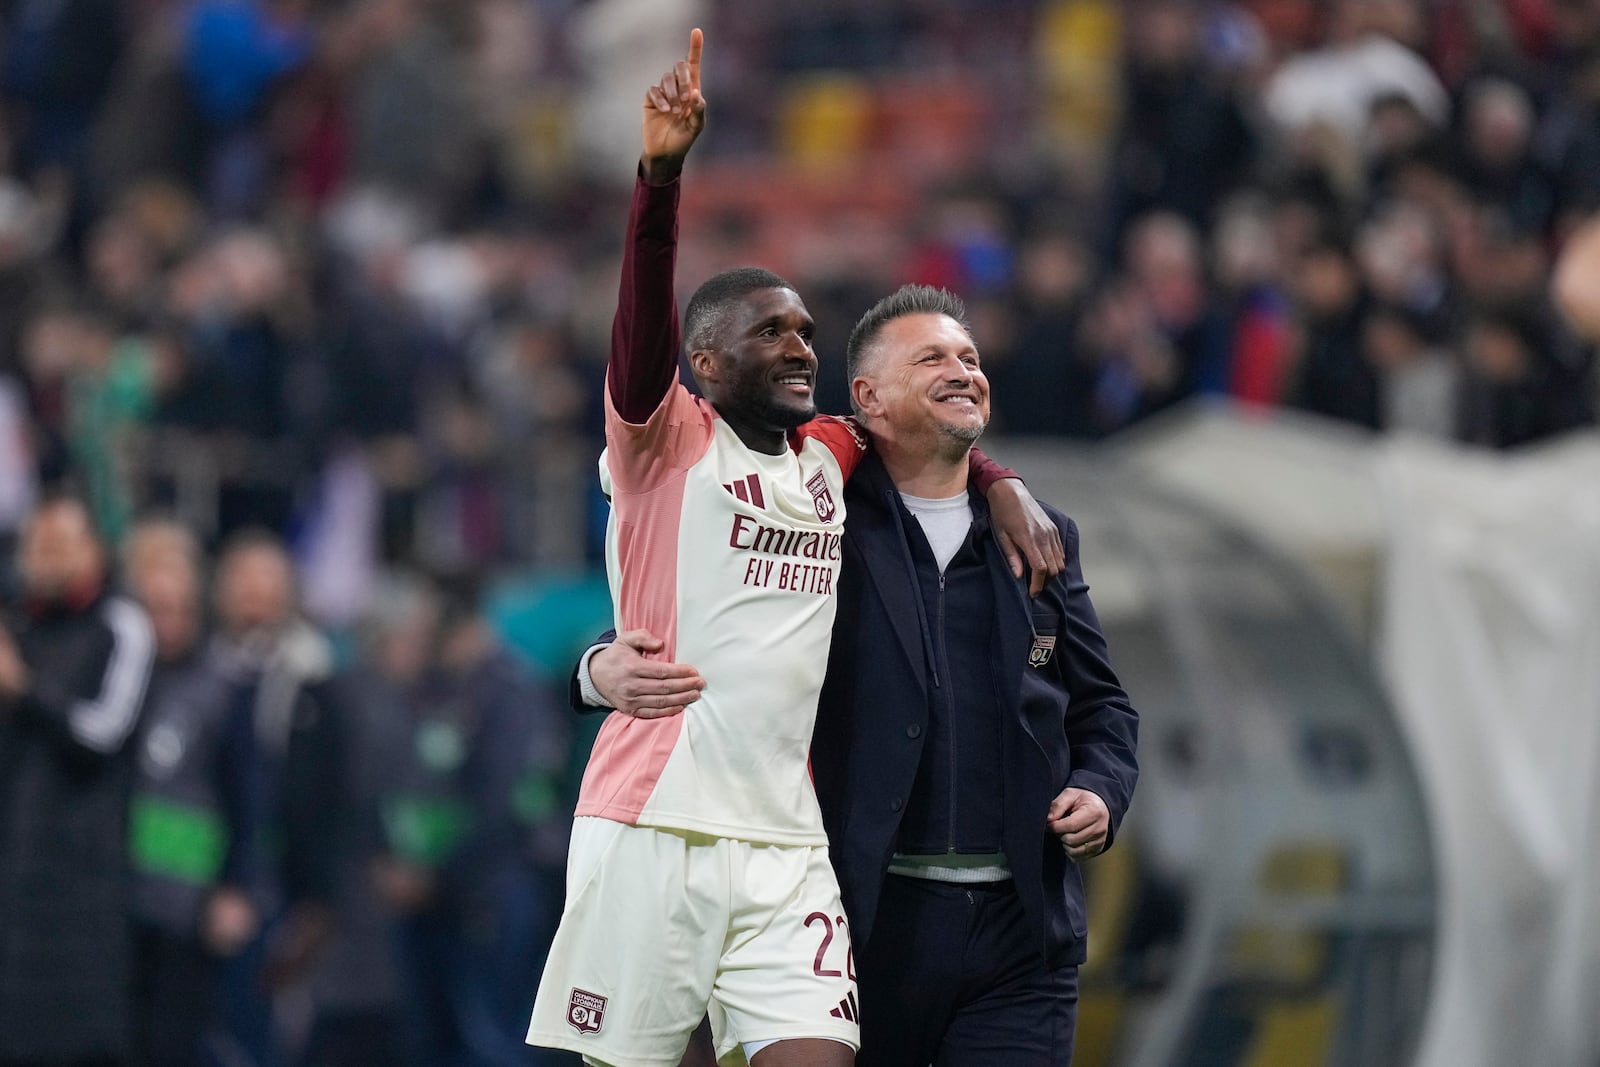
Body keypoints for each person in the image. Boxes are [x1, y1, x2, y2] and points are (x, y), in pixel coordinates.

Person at [526, 29, 1064, 1067]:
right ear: (707, 358)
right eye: (773, 332)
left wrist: (1002, 483)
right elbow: (638, 324)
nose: (801, 347)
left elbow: (925, 428)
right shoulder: (664, 443)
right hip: (654, 822)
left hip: (785, 841)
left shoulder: (826, 452)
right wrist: (661, 175)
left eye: (808, 331)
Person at [584, 285, 1141, 1065]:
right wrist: (596, 663)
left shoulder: (1043, 535)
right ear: (869, 398)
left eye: (970, 358)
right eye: (933, 358)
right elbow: (706, 616)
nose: (962, 370)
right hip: (867, 917)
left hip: (1022, 932)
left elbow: (1104, 707)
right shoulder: (821, 507)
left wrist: (1103, 788)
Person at [0, 493, 156, 1067]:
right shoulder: (15, 622)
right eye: (36, 544)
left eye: (60, 543)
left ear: (94, 550)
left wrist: (24, 690)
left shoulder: (121, 623)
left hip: (82, 886)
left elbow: (101, 732)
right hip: (14, 879)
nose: (44, 556)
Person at [207, 530, 347, 1067]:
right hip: (199, 882)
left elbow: (334, 795)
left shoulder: (314, 677)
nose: (255, 594)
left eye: (267, 581)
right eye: (244, 580)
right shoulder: (201, 668)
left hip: (278, 888)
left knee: (272, 1033)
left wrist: (317, 902)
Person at [123, 518, 240, 1067]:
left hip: (187, 904)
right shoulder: (113, 679)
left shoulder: (221, 686)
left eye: (178, 609)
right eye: (154, 608)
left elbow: (243, 794)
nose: (166, 623)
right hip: (116, 901)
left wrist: (233, 887)